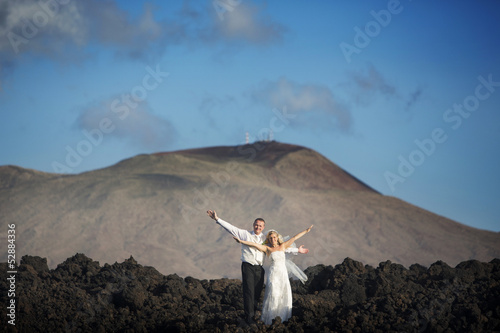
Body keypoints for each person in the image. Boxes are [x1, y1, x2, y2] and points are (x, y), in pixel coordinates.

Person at [206, 210, 308, 325]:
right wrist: (217, 219)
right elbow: (230, 228)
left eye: (260, 225)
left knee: (257, 293)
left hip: (259, 268)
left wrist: (296, 250)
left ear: (263, 227)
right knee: (249, 291)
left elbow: (280, 248)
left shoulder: (266, 239)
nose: (257, 227)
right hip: (248, 266)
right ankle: (249, 318)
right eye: (256, 224)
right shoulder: (245, 234)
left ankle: (253, 315)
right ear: (253, 225)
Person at [234, 225, 313, 325]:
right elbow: (254, 244)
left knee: (283, 293)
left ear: (277, 238)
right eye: (270, 238)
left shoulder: (283, 246)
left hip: (282, 273)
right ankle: (271, 318)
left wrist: (306, 230)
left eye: (274, 237)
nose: (273, 239)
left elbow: (294, 237)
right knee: (273, 293)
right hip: (273, 274)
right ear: (268, 239)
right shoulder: (267, 248)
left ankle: (282, 317)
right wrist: (241, 241)